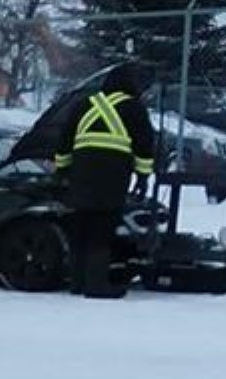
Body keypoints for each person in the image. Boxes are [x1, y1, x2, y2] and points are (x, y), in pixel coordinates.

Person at [54, 63, 157, 299]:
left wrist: (62, 170)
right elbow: (144, 146)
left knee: (81, 227)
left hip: (81, 173)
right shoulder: (134, 108)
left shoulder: (84, 104)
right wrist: (143, 177)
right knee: (101, 229)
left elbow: (65, 139)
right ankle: (96, 284)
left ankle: (77, 283)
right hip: (112, 175)